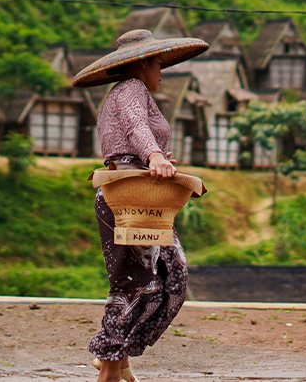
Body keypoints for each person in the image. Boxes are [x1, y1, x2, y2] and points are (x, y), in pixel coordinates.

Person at [73, 28, 209, 382]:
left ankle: (117, 354)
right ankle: (109, 362)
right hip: (126, 197)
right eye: (159, 64)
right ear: (144, 62)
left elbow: (130, 138)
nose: (162, 72)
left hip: (142, 196)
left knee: (171, 274)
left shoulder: (124, 94)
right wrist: (152, 154)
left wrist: (157, 157)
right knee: (137, 283)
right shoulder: (130, 89)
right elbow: (135, 127)